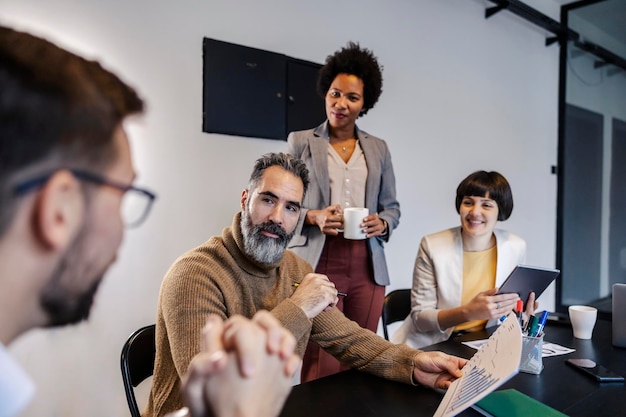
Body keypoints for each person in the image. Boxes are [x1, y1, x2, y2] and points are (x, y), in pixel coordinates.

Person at [0, 25, 297, 417]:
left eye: (292, 207)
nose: (122, 233)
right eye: (123, 195)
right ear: (59, 210)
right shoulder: (196, 271)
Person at [145, 152, 467, 417]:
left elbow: (351, 340)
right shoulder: (194, 274)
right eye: (267, 200)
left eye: (291, 207)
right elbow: (214, 391)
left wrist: (413, 363)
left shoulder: (296, 268)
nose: (277, 217)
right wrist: (299, 306)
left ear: (299, 217)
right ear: (245, 200)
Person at [285, 41, 400, 382]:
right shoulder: (301, 142)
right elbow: (285, 203)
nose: (341, 104)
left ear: (365, 103)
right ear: (325, 93)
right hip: (319, 261)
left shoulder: (378, 149)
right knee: (319, 362)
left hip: (367, 264)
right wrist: (314, 216)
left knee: (364, 356)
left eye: (352, 97)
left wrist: (383, 222)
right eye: (335, 94)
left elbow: (392, 207)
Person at [392, 171, 536, 349]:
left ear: (500, 210)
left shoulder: (516, 246)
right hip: (432, 345)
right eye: (468, 202)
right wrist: (469, 312)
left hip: (485, 343)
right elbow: (420, 319)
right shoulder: (432, 245)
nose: (475, 212)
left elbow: (508, 311)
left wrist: (521, 314)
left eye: (486, 205)